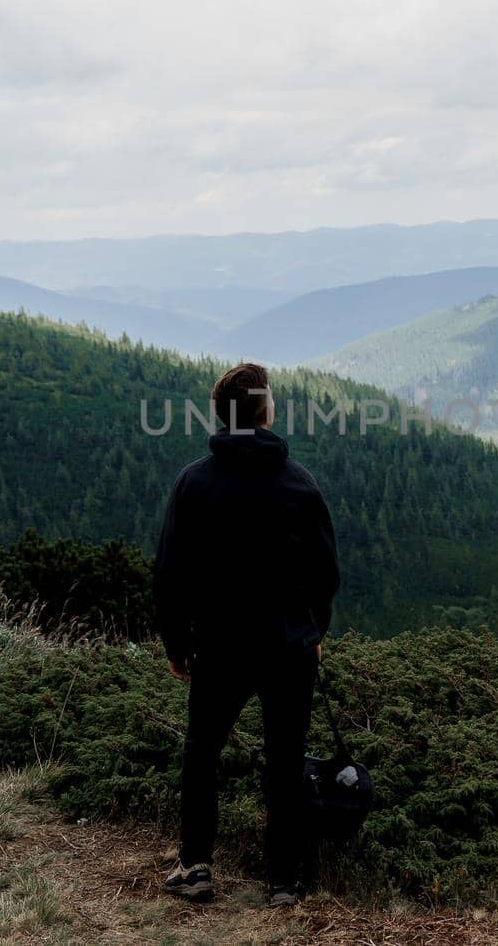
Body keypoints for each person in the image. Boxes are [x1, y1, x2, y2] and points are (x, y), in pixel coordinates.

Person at [153, 362, 340, 907]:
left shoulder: (194, 483)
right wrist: (315, 629)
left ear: (222, 414)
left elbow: (170, 572)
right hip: (289, 645)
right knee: (286, 760)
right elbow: (325, 574)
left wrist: (175, 642)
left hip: (219, 645)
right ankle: (284, 880)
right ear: (265, 412)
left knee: (202, 753)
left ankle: (197, 868)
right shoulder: (299, 485)